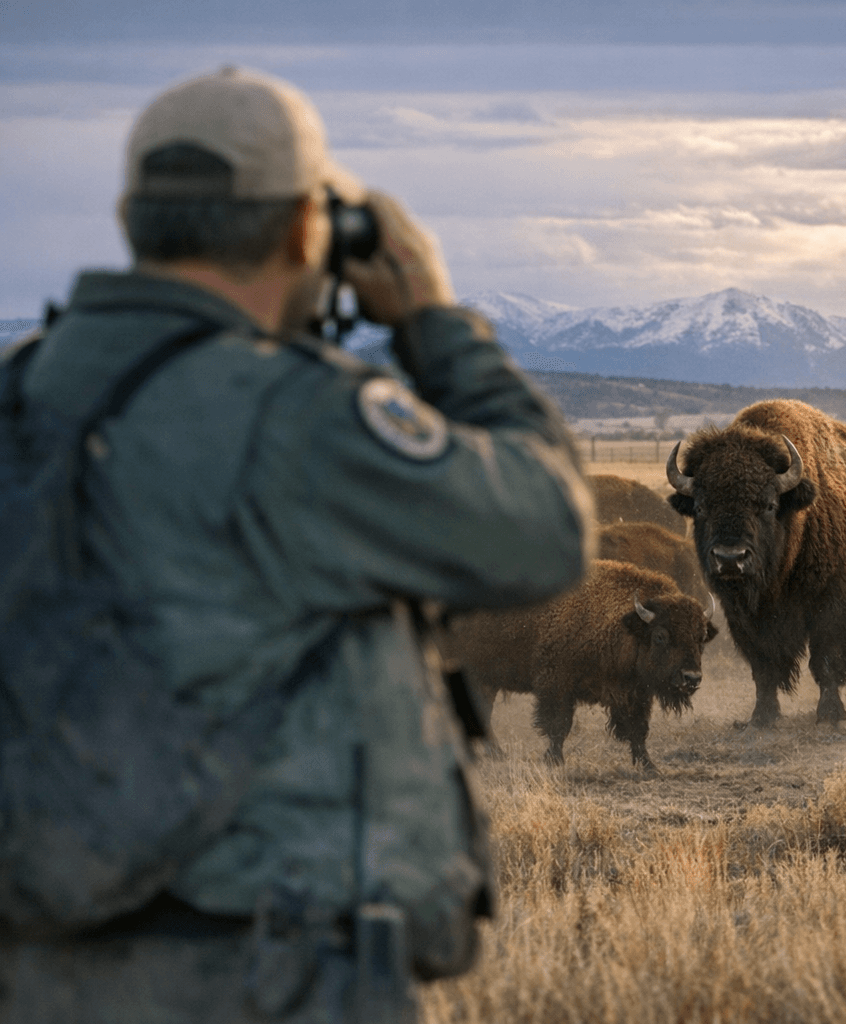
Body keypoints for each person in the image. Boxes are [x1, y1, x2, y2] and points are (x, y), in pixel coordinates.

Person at [0, 67, 593, 1023]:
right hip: (264, 970)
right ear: (305, 230)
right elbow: (546, 531)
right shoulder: (296, 415)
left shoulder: (20, 395)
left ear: (129, 216)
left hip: (39, 964)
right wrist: (435, 325)